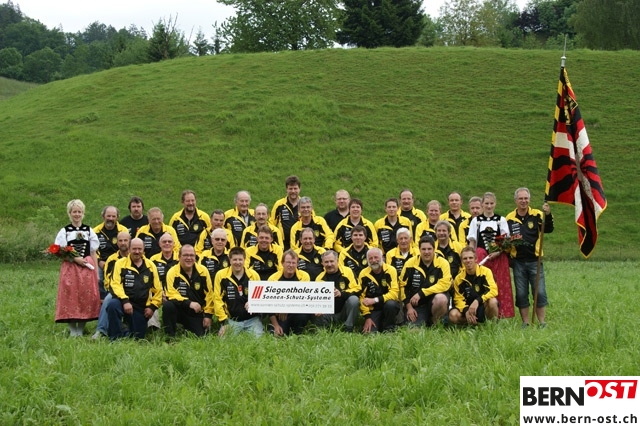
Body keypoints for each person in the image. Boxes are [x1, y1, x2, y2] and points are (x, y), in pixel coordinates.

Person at [506, 187, 554, 328]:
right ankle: (525, 322)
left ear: (529, 199)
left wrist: (548, 214)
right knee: (521, 293)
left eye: (526, 198)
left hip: (535, 261)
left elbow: (549, 229)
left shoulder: (538, 214)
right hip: (518, 262)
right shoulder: (509, 218)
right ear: (515, 200)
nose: (523, 201)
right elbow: (505, 240)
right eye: (520, 198)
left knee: (539, 292)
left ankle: (542, 322)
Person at [54, 199, 101, 337]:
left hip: (86, 266)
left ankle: (80, 329)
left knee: (85, 297)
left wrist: (96, 271)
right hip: (70, 267)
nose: (77, 214)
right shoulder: (65, 231)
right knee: (70, 296)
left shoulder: (89, 230)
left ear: (83, 213)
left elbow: (93, 252)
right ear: (70, 213)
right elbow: (59, 252)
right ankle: (72, 330)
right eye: (74, 211)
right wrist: (74, 259)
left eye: (79, 212)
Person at [467, 192, 514, 319]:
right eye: (486, 203)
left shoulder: (501, 220)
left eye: (491, 203)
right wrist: (471, 257)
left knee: (501, 284)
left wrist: (498, 251)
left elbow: (506, 241)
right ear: (482, 204)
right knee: (482, 283)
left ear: (495, 204)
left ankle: (502, 314)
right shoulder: (476, 221)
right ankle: (482, 313)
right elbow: (472, 242)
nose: (489, 206)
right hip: (481, 256)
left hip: (498, 257)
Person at [105, 238, 162, 340]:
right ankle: (114, 338)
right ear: (129, 249)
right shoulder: (120, 264)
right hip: (122, 302)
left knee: (137, 338)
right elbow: (115, 284)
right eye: (134, 249)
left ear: (143, 250)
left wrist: (152, 307)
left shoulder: (150, 266)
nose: (137, 251)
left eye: (139, 249)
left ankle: (125, 330)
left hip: (140, 306)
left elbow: (158, 290)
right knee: (112, 305)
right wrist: (125, 301)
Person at [163, 245, 215, 338]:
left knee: (200, 337)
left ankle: (185, 327)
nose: (189, 258)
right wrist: (189, 303)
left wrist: (208, 315)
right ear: (179, 257)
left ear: (195, 257)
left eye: (191, 255)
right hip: (179, 309)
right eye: (185, 255)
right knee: (168, 306)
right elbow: (170, 294)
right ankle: (170, 337)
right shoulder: (172, 272)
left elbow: (209, 295)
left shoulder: (203, 271)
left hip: (196, 312)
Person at [399, 236, 450, 327]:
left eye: (429, 249)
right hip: (417, 305)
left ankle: (435, 323)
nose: (426, 252)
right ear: (419, 250)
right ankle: (423, 320)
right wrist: (409, 307)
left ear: (434, 249)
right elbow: (402, 286)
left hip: (434, 302)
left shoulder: (443, 263)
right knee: (414, 331)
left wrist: (422, 293)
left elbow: (445, 284)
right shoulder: (410, 263)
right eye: (423, 249)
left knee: (441, 299)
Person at [214, 247, 264, 337]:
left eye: (240, 259)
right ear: (230, 260)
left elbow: (260, 297)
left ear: (244, 260)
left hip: (252, 319)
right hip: (232, 320)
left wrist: (253, 303)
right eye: (235, 259)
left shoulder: (254, 275)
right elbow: (217, 300)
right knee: (224, 341)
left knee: (259, 341)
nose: (238, 262)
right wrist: (224, 322)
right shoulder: (221, 275)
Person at [92, 231, 130, 339]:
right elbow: (108, 280)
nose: (123, 243)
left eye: (125, 240)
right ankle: (101, 330)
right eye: (120, 241)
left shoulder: (136, 257)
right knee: (108, 299)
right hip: (115, 291)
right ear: (117, 243)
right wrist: (116, 291)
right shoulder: (111, 259)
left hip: (133, 290)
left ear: (130, 242)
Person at [448, 247, 499, 325]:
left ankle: (492, 326)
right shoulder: (458, 278)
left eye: (471, 258)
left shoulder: (486, 272)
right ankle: (472, 323)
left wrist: (477, 301)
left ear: (476, 259)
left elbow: (493, 290)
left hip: (482, 305)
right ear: (462, 261)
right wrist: (466, 310)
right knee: (453, 315)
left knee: (493, 301)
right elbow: (458, 299)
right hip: (468, 308)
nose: (468, 260)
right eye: (465, 258)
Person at [268, 250, 312, 336]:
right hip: (279, 314)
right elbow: (268, 305)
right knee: (276, 335)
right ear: (282, 263)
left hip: (298, 311)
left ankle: (298, 333)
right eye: (288, 262)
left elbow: (305, 300)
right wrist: (276, 325)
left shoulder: (304, 276)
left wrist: (286, 307)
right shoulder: (273, 279)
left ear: (297, 264)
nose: (291, 265)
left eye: (293, 263)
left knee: (303, 316)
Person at [315, 250, 361, 332]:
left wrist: (341, 294)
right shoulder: (319, 278)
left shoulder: (347, 271)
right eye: (326, 262)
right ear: (322, 263)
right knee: (316, 313)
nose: (329, 264)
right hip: (328, 313)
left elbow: (357, 289)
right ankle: (327, 331)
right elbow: (317, 300)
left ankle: (348, 328)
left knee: (354, 300)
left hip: (344, 310)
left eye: (332, 261)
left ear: (337, 261)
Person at [359, 248, 401, 333]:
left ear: (382, 257)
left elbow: (394, 293)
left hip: (388, 306)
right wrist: (367, 317)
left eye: (376, 257)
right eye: (370, 258)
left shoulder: (391, 270)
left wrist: (375, 300)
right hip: (373, 309)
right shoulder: (363, 274)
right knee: (369, 333)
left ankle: (389, 329)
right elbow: (361, 297)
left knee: (391, 304)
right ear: (367, 260)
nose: (374, 260)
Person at [94, 205, 128, 298]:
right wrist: (99, 261)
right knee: (97, 278)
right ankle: (101, 300)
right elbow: (93, 250)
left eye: (113, 216)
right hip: (101, 263)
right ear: (103, 216)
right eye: (108, 216)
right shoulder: (95, 231)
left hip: (118, 261)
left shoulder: (123, 230)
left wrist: (118, 262)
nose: (111, 219)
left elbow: (126, 248)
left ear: (117, 217)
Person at [270, 175, 301, 250]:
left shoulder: (305, 205)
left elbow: (312, 222)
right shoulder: (279, 204)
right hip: (283, 245)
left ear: (299, 189)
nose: (293, 191)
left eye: (295, 188)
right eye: (290, 189)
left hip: (300, 244)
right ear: (286, 189)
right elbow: (271, 224)